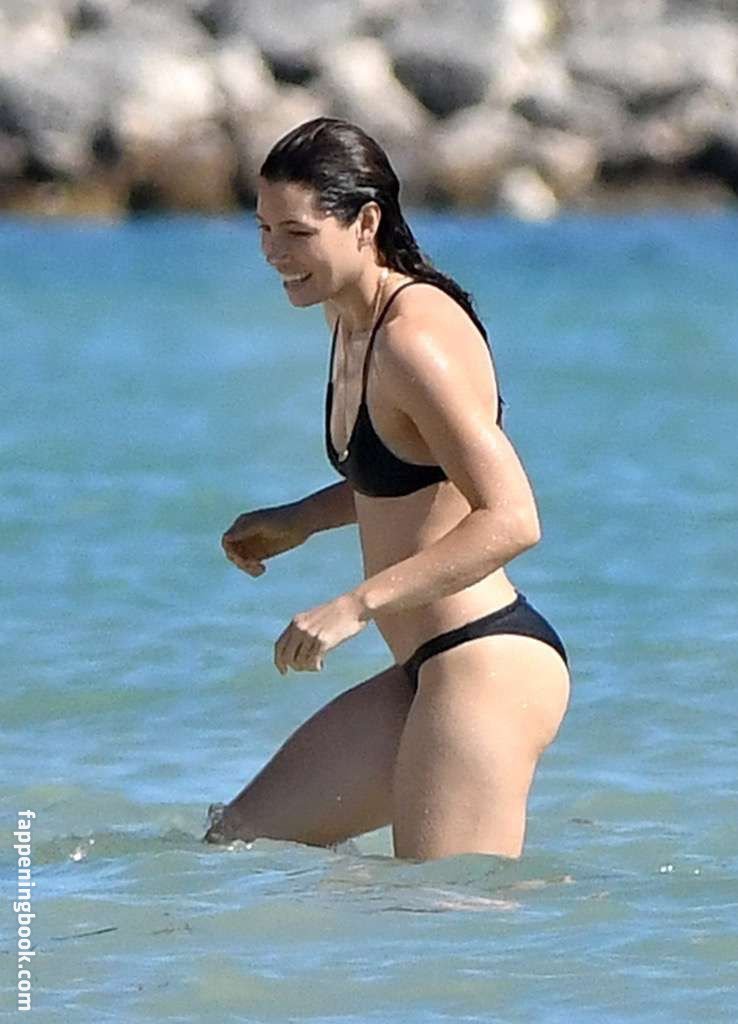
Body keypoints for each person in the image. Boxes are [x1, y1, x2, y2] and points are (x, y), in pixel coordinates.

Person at [203, 117, 570, 861]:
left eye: (298, 233)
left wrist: (355, 605)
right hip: (422, 673)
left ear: (366, 223)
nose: (275, 253)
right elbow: (412, 473)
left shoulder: (413, 339)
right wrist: (301, 518)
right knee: (236, 844)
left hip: (484, 664)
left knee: (439, 912)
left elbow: (512, 517)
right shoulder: (350, 319)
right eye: (264, 229)